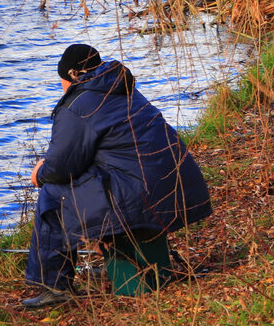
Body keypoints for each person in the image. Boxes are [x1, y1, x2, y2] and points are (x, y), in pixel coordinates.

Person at [22, 43, 212, 309]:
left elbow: (60, 168)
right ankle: (124, 259)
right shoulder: (123, 87)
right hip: (176, 186)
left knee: (52, 194)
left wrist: (40, 173)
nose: (63, 88)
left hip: (140, 195)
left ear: (74, 75)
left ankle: (53, 286)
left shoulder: (77, 105)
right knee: (95, 181)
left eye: (63, 81)